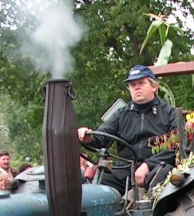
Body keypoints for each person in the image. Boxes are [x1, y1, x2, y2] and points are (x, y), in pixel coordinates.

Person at [77, 65, 183, 195]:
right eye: (132, 85)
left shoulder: (170, 114)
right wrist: (89, 138)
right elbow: (102, 137)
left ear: (154, 87)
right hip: (124, 171)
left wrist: (148, 165)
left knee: (164, 176)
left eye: (141, 83)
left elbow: (175, 146)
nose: (136, 87)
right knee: (93, 188)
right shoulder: (121, 114)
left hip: (156, 169)